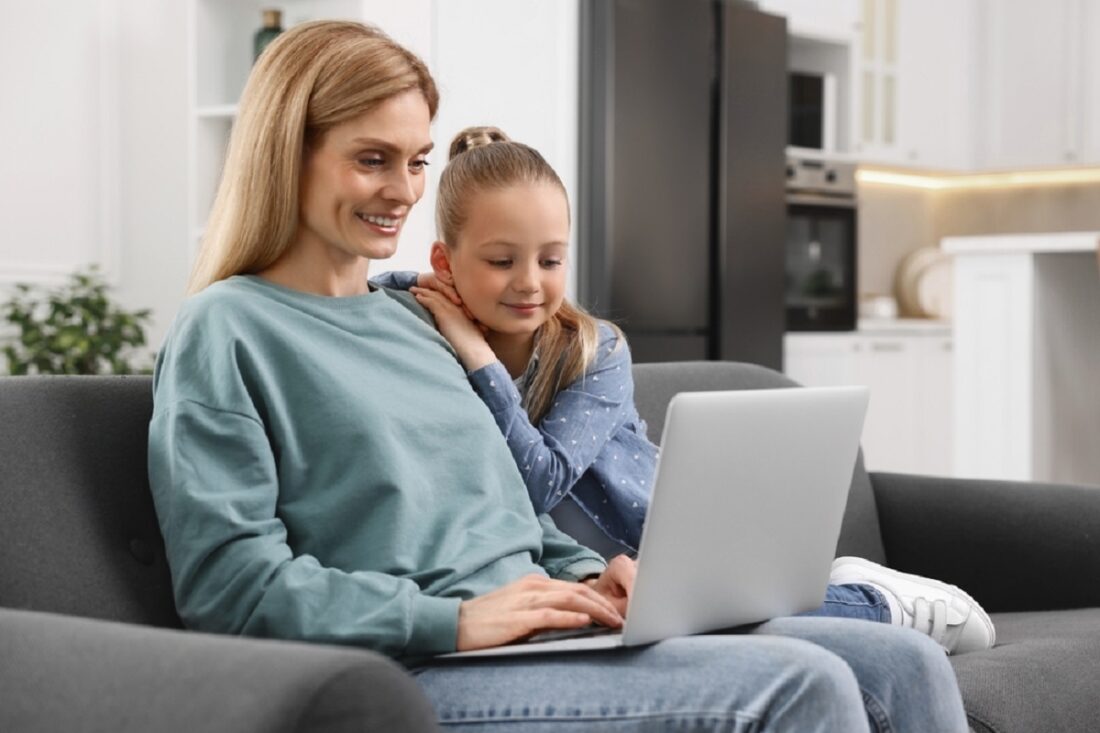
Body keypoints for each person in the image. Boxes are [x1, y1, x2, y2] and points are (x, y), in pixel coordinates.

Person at [148, 20, 969, 732]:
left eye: (417, 161)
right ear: (287, 151)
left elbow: (505, 515)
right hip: (421, 664)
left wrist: (587, 573)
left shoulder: (419, 317)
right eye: (373, 160)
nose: (402, 191)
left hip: (545, 631)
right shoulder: (227, 330)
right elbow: (231, 587)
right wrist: (454, 619)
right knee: (803, 684)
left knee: (906, 662)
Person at [381, 125, 995, 657]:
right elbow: (369, 293)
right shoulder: (423, 330)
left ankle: (874, 600)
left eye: (550, 260)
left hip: (656, 559)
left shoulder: (597, 353)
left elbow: (534, 482)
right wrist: (412, 290)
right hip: (566, 585)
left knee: (744, 633)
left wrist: (479, 354)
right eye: (500, 261)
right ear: (446, 261)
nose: (529, 284)